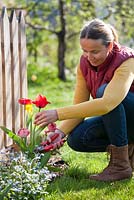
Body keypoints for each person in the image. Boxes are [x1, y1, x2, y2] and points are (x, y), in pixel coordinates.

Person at [34, 19, 134, 182]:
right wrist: (60, 132)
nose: (89, 57)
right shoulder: (84, 64)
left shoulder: (127, 60)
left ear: (109, 46)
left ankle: (120, 166)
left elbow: (108, 103)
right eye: (84, 51)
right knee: (78, 138)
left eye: (94, 51)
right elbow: (79, 108)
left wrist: (58, 114)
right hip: (120, 120)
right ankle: (128, 150)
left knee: (104, 92)